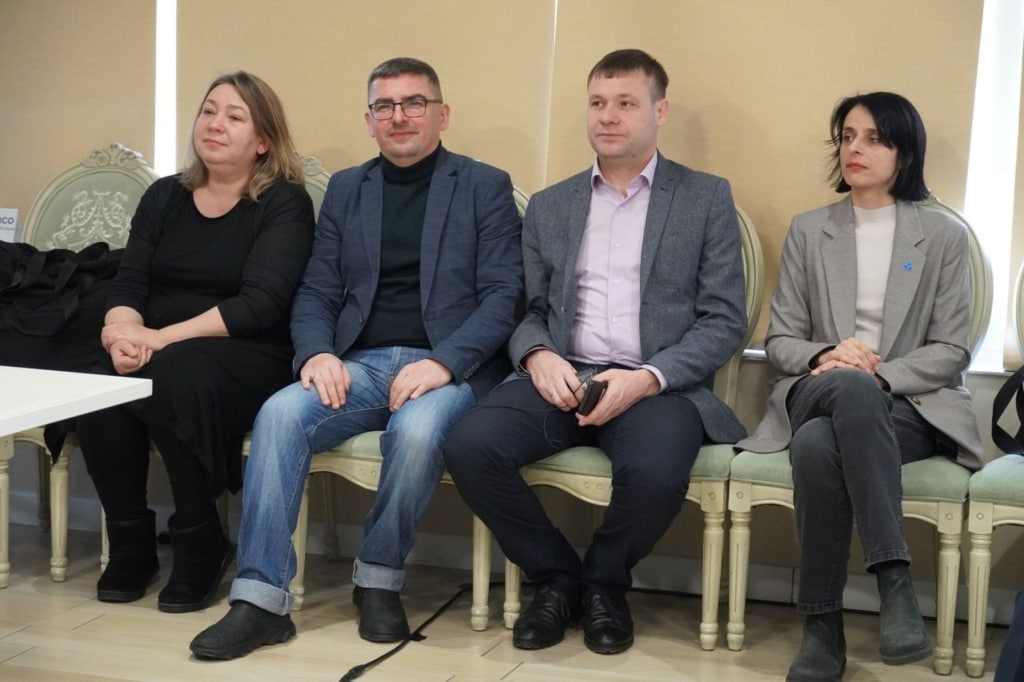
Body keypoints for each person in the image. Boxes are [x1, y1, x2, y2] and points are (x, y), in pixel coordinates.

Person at [189, 57, 523, 659]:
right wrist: (316, 353)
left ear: (442, 114)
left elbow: (504, 296)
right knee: (279, 415)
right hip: (359, 362)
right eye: (384, 106)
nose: (399, 116)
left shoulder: (484, 185)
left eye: (414, 103)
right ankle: (261, 601)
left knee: (418, 432)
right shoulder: (348, 189)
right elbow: (316, 289)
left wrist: (445, 363)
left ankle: (378, 579)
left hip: (447, 368)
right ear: (369, 121)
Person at [442, 49, 747, 655]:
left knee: (656, 472)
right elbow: (529, 311)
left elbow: (724, 320)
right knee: (469, 445)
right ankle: (558, 580)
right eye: (598, 103)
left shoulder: (704, 197)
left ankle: (605, 584)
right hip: (563, 375)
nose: (608, 116)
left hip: (657, 385)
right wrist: (538, 357)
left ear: (660, 111)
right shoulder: (550, 205)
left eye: (626, 103)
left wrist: (649, 377)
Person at [736, 92, 987, 681]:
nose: (856, 148)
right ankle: (893, 578)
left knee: (817, 445)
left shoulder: (942, 237)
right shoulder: (810, 231)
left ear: (905, 153)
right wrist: (829, 353)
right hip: (816, 387)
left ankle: (822, 629)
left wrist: (876, 373)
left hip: (908, 407)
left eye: (874, 138)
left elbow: (951, 350)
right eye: (848, 136)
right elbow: (782, 341)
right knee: (846, 390)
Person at [75, 71, 315, 612]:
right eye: (209, 111)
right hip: (161, 344)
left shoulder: (284, 203)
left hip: (249, 350)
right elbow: (128, 282)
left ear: (263, 141)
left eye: (234, 116)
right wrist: (120, 334)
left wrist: (157, 339)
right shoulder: (165, 195)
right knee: (98, 380)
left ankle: (199, 537)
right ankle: (131, 541)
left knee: (177, 375)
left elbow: (259, 305)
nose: (215, 124)